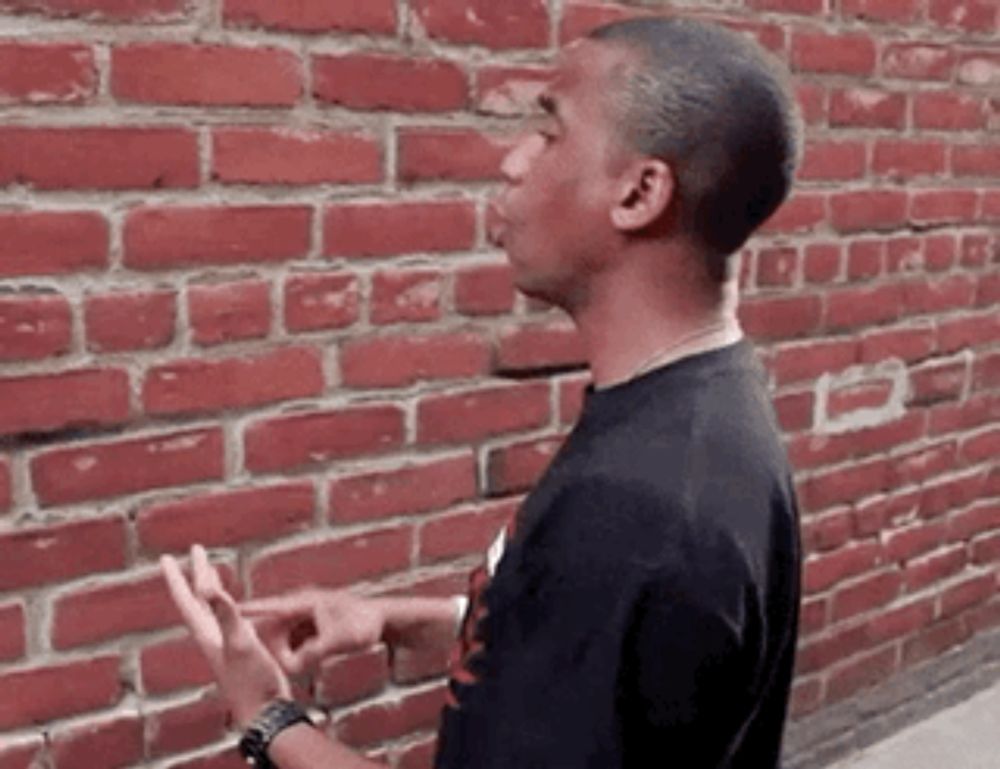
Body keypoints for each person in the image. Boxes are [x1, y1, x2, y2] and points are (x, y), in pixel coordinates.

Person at [162, 15, 803, 769]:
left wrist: (269, 721)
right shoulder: (705, 408)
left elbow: (600, 603)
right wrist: (390, 621)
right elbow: (592, 646)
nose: (512, 160)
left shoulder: (636, 509)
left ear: (638, 192)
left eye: (550, 130)